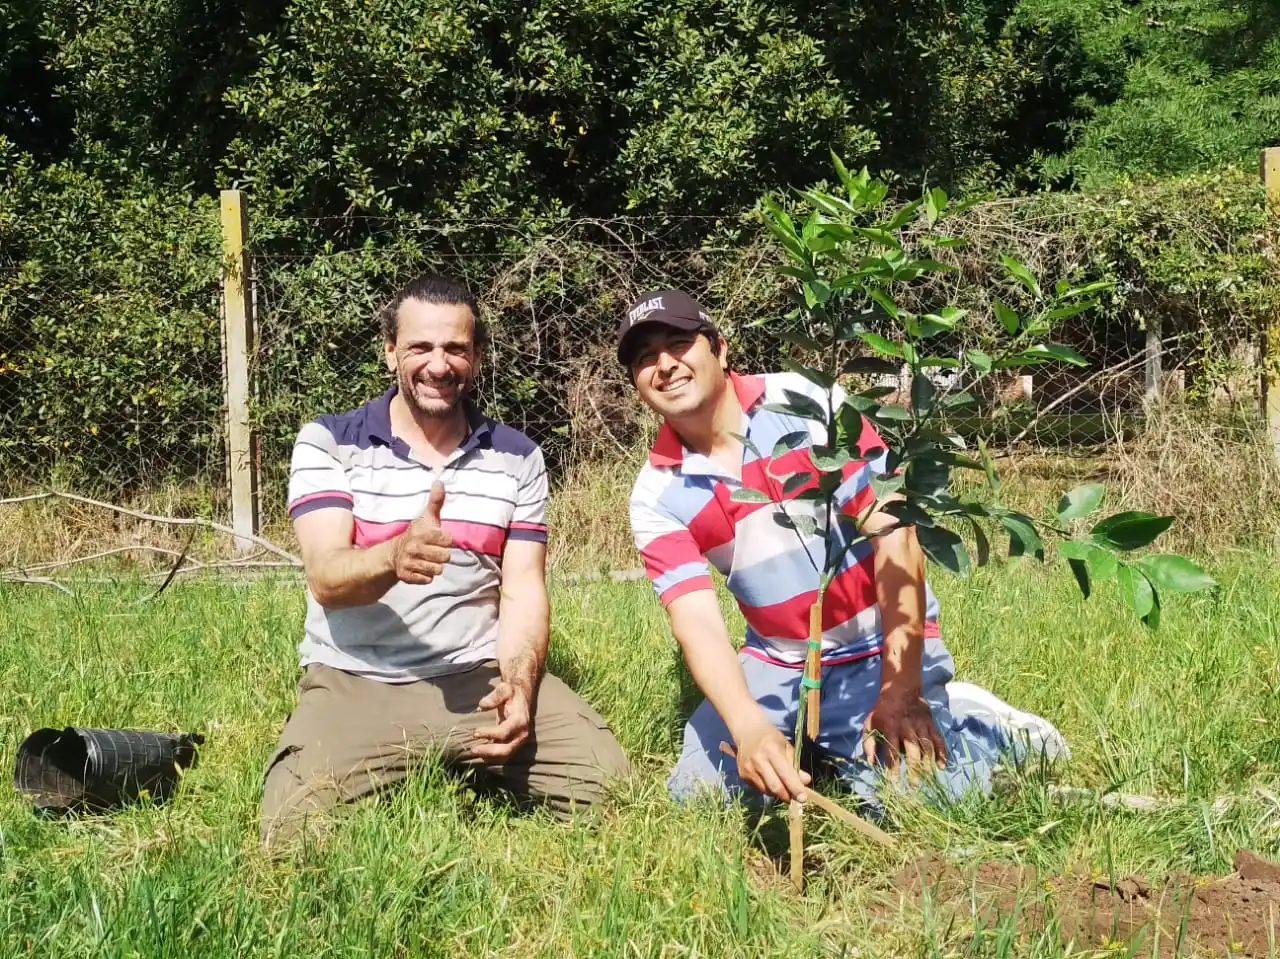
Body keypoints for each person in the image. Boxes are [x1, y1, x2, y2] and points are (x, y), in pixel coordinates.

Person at [618, 289, 1068, 813]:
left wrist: (900, 690)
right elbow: (695, 620)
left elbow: (893, 528)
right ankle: (827, 745)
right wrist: (748, 726)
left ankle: (982, 725)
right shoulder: (655, 492)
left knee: (920, 803)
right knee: (698, 797)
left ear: (719, 349)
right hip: (780, 660)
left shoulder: (804, 403)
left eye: (679, 344)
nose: (665, 365)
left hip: (877, 647)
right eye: (646, 358)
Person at [260, 272, 629, 844]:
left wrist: (520, 688)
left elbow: (522, 592)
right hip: (359, 680)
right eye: (421, 347)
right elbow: (327, 577)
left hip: (477, 678)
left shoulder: (517, 457)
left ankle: (471, 757)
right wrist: (392, 556)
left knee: (612, 791)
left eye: (456, 348)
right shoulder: (329, 442)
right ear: (390, 354)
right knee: (290, 831)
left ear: (476, 357)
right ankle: (418, 763)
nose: (439, 364)